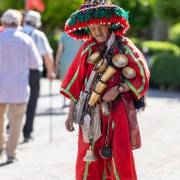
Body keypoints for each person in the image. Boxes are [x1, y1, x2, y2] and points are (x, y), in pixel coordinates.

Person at [60, 0, 150, 179]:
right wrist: (71, 114)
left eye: (100, 26)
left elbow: (142, 74)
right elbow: (76, 83)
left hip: (118, 111)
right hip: (90, 111)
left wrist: (119, 88)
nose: (97, 32)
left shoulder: (123, 45)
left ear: (109, 24)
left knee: (119, 154)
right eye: (92, 29)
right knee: (88, 156)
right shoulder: (87, 48)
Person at [0, 9, 40, 163]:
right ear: (19, 23)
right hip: (19, 88)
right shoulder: (26, 40)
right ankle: (11, 153)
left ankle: (0, 146)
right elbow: (35, 64)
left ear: (4, 22)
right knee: (16, 121)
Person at [22, 10, 55, 142]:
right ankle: (27, 132)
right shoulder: (38, 35)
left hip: (17, 70)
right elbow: (47, 55)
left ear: (25, 20)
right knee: (32, 101)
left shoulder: (18, 31)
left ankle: (10, 127)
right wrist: (51, 72)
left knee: (15, 100)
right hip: (34, 71)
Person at [55, 32, 82, 108]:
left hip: (65, 61)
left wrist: (56, 64)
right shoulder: (81, 35)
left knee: (65, 81)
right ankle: (73, 103)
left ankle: (64, 101)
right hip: (77, 62)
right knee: (75, 81)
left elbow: (59, 51)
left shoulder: (63, 36)